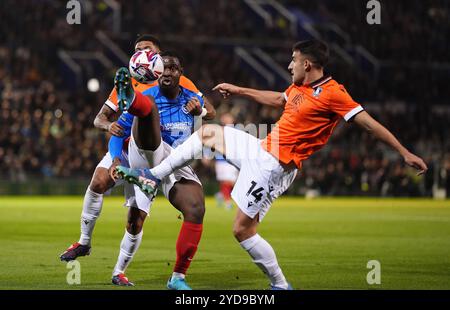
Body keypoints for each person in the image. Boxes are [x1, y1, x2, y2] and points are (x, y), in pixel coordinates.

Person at [114, 39, 428, 290]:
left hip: (275, 166)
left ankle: (279, 284)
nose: (289, 65)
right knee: (208, 133)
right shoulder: (299, 88)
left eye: (293, 60)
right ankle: (151, 176)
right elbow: (279, 99)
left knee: (242, 230)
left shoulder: (333, 93)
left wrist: (402, 151)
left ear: (307, 64)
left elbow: (369, 123)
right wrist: (238, 90)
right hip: (262, 148)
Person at [59, 35, 215, 289]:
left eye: (147, 49)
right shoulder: (134, 80)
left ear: (160, 57)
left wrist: (201, 110)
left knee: (136, 219)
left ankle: (120, 272)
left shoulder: (176, 78)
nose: (141, 54)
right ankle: (84, 242)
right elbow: (102, 120)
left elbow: (210, 110)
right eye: (137, 50)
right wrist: (113, 140)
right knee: (99, 180)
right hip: (130, 144)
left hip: (167, 153)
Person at [110, 51, 215, 289]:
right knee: (149, 110)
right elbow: (117, 133)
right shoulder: (149, 94)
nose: (168, 72)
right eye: (164, 68)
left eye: (173, 68)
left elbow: (211, 112)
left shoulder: (191, 99)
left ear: (180, 73)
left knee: (195, 209)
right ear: (156, 73)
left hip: (174, 160)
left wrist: (200, 111)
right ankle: (131, 100)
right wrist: (117, 160)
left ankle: (177, 277)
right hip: (144, 154)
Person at [214, 113, 238, 210]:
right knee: (227, 181)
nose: (227, 119)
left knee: (232, 182)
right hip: (221, 160)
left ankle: (220, 194)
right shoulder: (219, 131)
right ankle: (227, 202)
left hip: (233, 159)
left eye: (229, 117)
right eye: (225, 118)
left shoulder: (237, 130)